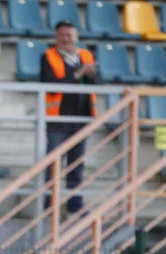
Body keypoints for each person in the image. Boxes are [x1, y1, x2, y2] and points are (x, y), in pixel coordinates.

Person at [41, 20, 100, 215]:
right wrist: (79, 73)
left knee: (76, 164)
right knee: (54, 164)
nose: (66, 38)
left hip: (81, 118)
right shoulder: (48, 56)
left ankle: (75, 203)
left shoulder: (86, 55)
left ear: (77, 37)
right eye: (63, 34)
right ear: (56, 38)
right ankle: (49, 203)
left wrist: (91, 74)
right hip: (58, 119)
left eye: (70, 34)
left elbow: (98, 83)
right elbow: (50, 84)